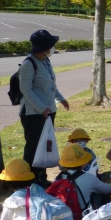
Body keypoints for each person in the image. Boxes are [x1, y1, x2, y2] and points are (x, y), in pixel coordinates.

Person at [19, 29, 70, 185]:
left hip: (48, 112)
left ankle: (41, 177)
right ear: (44, 47)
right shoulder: (29, 64)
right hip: (33, 113)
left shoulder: (46, 61)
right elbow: (26, 89)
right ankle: (29, 179)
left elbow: (51, 86)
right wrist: (41, 108)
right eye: (51, 45)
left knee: (44, 146)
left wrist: (61, 99)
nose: (52, 48)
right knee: (33, 147)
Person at [57, 144, 111, 211]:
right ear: (83, 163)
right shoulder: (89, 178)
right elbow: (108, 190)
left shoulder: (59, 178)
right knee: (97, 193)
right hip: (82, 217)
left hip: (64, 216)